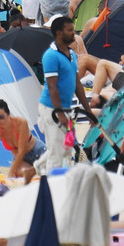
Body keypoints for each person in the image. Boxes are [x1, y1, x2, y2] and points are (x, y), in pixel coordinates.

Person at [38, 16, 94, 174]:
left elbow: (77, 84)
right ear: (59, 33)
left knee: (66, 148)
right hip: (52, 109)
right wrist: (60, 112)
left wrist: (88, 110)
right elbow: (52, 86)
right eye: (70, 30)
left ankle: (38, 167)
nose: (74, 34)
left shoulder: (71, 54)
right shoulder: (50, 56)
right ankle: (51, 189)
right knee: (57, 152)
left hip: (66, 108)